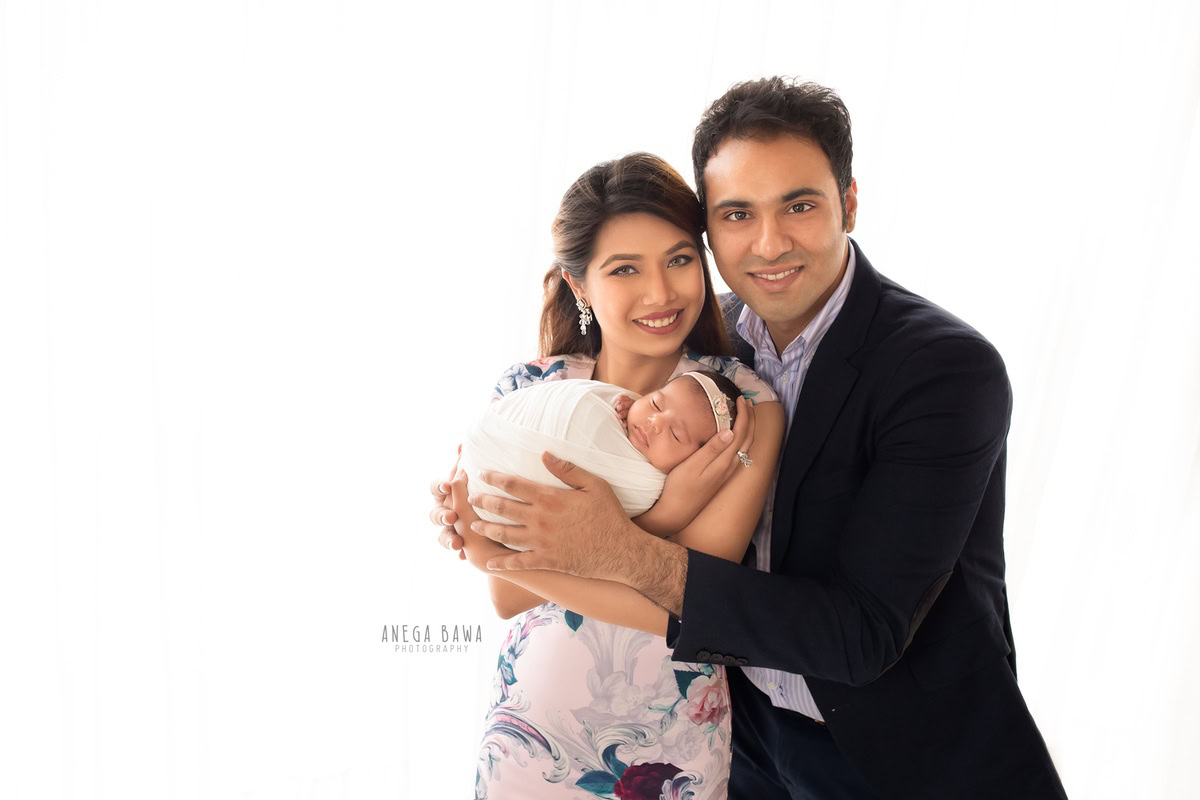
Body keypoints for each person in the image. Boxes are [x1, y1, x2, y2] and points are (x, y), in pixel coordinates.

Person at [443, 78, 1069, 798]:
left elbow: (859, 633)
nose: (769, 243)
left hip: (901, 757)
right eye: (737, 214)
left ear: (851, 203)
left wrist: (604, 545)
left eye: (799, 206)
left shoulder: (944, 370)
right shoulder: (706, 354)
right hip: (743, 741)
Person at [438, 152, 786, 800]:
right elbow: (506, 599)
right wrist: (665, 516)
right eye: (626, 268)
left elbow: (688, 604)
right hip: (527, 736)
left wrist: (502, 555)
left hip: (670, 751)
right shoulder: (532, 389)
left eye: (680, 259)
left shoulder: (741, 409)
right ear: (579, 284)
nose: (661, 292)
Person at [459, 370, 747, 534]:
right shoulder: (532, 374)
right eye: (656, 404)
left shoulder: (655, 486)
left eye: (675, 434)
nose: (655, 422)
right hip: (478, 479)